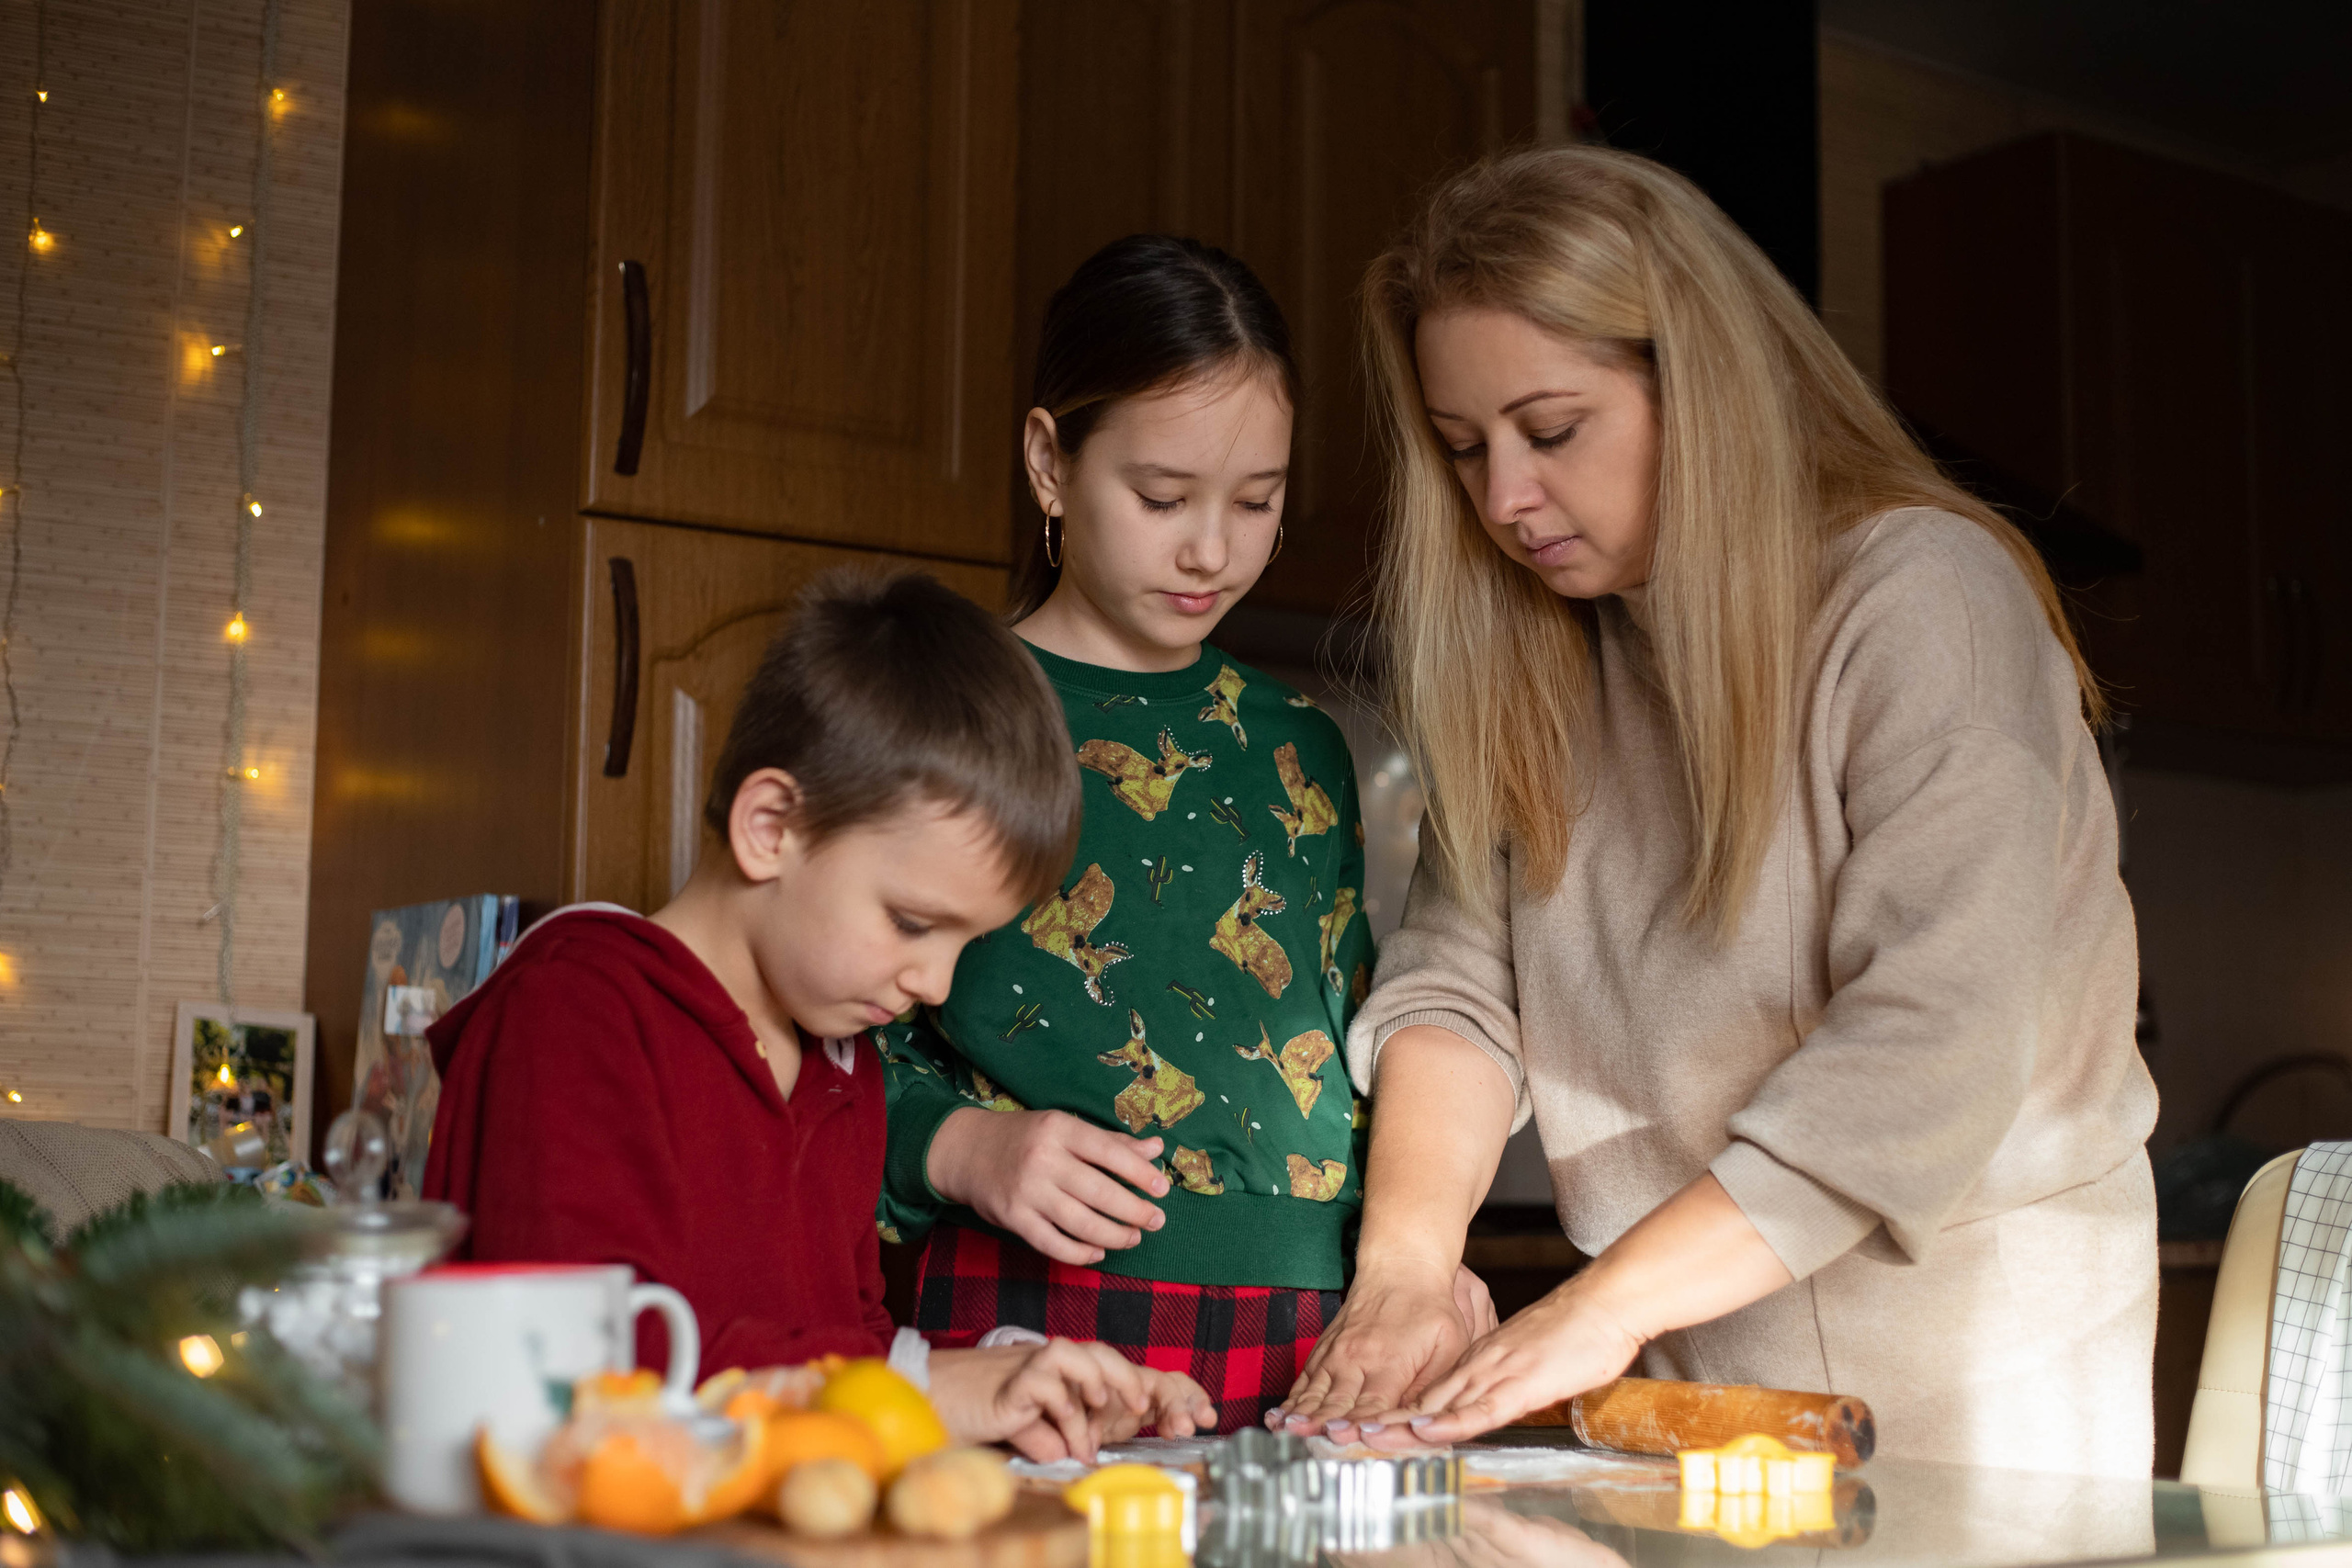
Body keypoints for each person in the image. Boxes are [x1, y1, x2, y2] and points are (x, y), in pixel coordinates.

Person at [1276, 147, 2160, 1476]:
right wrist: (1406, 1263)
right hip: (1696, 1387)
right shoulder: (1541, 658)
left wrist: (1603, 1302)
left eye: (1552, 429)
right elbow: (1458, 988)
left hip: (1984, 1391)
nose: (1506, 500)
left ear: (1699, 384)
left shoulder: (1925, 601)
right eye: (1465, 449)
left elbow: (1934, 1043)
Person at [875, 234, 1489, 1431]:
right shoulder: (950, 710)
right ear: (1052, 462)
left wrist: (1414, 1263)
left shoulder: (1301, 745)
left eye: (1256, 500)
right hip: (1030, 1305)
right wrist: (959, 1145)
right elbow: (831, 1032)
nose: (1212, 547)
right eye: (1162, 498)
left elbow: (1340, 1039)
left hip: (1308, 1322)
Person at [423, 570, 1216, 1461]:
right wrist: (924, 1395)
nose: (937, 985)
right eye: (913, 924)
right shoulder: (574, 1011)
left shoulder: (843, 1057)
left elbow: (844, 1345)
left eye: (968, 943)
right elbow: (578, 1385)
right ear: (772, 827)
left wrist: (1009, 1381)